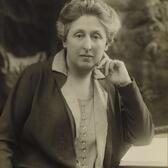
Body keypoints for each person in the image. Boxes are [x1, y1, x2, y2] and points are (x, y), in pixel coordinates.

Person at [0, 0, 154, 167]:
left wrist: (126, 85)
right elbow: (4, 140)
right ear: (65, 40)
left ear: (107, 44)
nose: (87, 45)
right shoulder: (35, 77)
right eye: (79, 35)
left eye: (96, 36)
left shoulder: (110, 86)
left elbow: (142, 137)